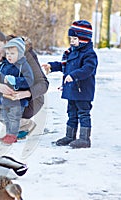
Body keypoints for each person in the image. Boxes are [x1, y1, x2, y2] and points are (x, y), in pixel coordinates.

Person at [42, 20, 98, 148]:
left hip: (82, 91)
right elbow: (65, 65)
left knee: (83, 113)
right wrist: (52, 66)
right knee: (71, 113)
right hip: (72, 90)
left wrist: (73, 75)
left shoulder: (89, 54)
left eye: (75, 38)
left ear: (84, 39)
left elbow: (88, 69)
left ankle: (84, 139)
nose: (71, 41)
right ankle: (70, 136)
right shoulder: (71, 52)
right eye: (71, 38)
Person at [0, 37, 34, 144]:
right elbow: (1, 76)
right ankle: (8, 134)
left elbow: (29, 80)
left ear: (20, 54)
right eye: (8, 53)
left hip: (17, 99)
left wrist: (15, 80)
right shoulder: (5, 64)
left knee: (14, 117)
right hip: (5, 98)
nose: (9, 56)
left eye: (12, 54)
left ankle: (13, 135)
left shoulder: (24, 65)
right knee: (6, 117)